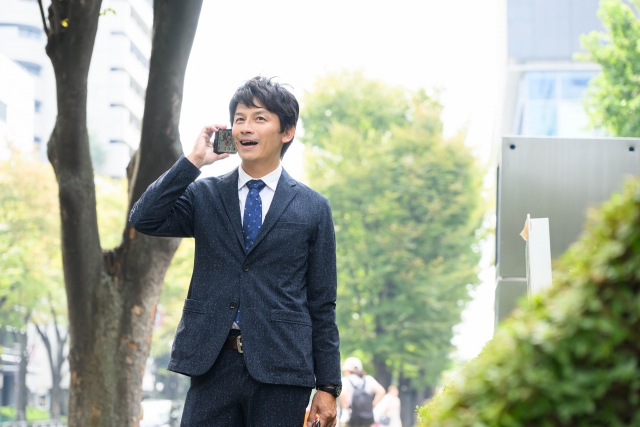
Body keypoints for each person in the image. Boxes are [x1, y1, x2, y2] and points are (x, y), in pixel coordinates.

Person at [130, 76, 342, 427]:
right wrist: (194, 161)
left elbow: (322, 302)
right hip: (212, 362)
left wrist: (328, 385)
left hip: (282, 368)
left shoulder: (313, 207)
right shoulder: (205, 195)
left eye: (259, 118)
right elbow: (144, 218)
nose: (245, 127)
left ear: (287, 131)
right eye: (240, 118)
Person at [339, 357, 386, 427]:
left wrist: (345, 406)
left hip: (350, 419)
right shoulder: (368, 379)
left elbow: (342, 394)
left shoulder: (345, 380)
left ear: (348, 370)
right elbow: (381, 391)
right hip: (367, 418)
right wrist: (373, 404)